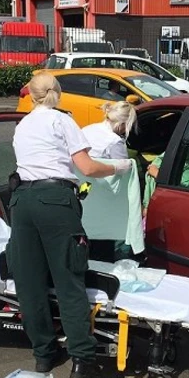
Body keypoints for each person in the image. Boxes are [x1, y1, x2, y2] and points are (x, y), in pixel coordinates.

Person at [8, 72, 133, 378]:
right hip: (56, 202)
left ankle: (44, 353)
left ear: (33, 95)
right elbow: (87, 168)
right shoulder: (61, 121)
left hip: (22, 203)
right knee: (68, 281)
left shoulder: (22, 125)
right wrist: (121, 166)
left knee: (30, 283)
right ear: (58, 93)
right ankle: (82, 360)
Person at [82, 101, 139, 262]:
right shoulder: (114, 142)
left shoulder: (88, 130)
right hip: (103, 195)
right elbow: (124, 172)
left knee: (86, 232)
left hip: (84, 190)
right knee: (103, 242)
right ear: (123, 124)